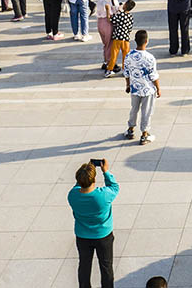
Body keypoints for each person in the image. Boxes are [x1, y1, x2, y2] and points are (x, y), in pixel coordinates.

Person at [67, 160, 119, 288]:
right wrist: (105, 171)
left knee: (84, 266)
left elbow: (77, 187)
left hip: (82, 236)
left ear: (79, 180)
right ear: (93, 180)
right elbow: (114, 187)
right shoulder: (103, 196)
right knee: (106, 267)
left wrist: (85, 173)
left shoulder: (72, 195)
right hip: (103, 236)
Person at [123, 29, 160, 143]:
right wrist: (158, 88)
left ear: (135, 41)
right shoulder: (150, 57)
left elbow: (126, 73)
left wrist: (128, 85)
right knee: (147, 111)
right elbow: (153, 76)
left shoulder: (129, 55)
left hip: (135, 88)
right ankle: (144, 134)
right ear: (147, 41)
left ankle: (130, 129)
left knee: (134, 109)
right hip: (148, 90)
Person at [104, 0, 135, 77]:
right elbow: (130, 28)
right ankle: (125, 70)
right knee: (126, 55)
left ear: (125, 6)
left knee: (114, 54)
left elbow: (110, 19)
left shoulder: (120, 15)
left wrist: (108, 10)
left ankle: (109, 70)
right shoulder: (130, 16)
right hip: (126, 38)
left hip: (117, 37)